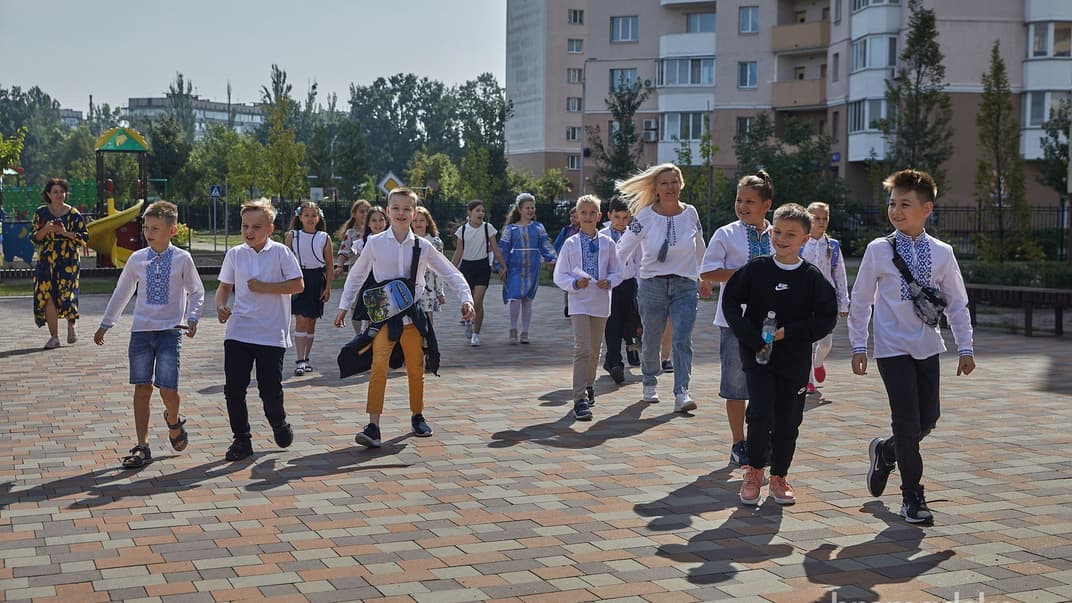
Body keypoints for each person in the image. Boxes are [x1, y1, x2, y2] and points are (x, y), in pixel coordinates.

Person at [849, 169, 975, 524]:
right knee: (906, 422)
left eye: (905, 204)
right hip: (891, 349)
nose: (896, 211)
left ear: (927, 208)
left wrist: (965, 348)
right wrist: (859, 344)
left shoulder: (942, 252)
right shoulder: (878, 249)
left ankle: (886, 451)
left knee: (927, 420)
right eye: (892, 204)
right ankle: (912, 496)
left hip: (928, 346)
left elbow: (957, 303)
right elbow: (861, 302)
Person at [335, 187, 475, 447]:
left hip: (413, 316)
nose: (401, 213)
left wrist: (466, 298)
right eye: (396, 208)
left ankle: (417, 416)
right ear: (388, 212)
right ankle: (373, 426)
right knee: (378, 368)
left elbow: (450, 272)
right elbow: (356, 276)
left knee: (415, 369)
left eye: (406, 208)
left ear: (414, 212)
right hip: (385, 318)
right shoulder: (374, 243)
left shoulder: (424, 246)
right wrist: (344, 305)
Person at [722, 203, 837, 506]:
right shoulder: (757, 269)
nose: (782, 238)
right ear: (771, 231)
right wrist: (750, 336)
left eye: (792, 234)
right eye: (778, 232)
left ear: (805, 238)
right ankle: (755, 471)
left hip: (794, 359)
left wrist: (791, 332)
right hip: (758, 357)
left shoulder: (811, 278)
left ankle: (779, 476)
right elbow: (731, 301)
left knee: (788, 418)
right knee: (759, 413)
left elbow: (826, 318)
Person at [93, 201, 205, 469]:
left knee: (168, 389)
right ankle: (142, 446)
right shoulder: (136, 259)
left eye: (155, 228)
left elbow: (197, 291)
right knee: (142, 388)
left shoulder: (182, 259)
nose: (149, 232)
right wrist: (107, 323)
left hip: (170, 332)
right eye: (146, 227)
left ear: (172, 230)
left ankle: (174, 421)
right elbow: (122, 292)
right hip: (141, 332)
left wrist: (192, 317)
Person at [617, 163, 712, 413]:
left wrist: (704, 277)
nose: (670, 187)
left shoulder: (691, 213)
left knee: (682, 337)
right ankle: (649, 381)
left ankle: (682, 391)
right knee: (652, 337)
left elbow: (700, 245)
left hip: (685, 285)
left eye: (674, 182)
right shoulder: (645, 216)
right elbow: (624, 247)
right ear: (656, 188)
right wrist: (611, 274)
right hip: (652, 285)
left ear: (681, 184)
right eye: (664, 183)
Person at [215, 198, 304, 461]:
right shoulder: (235, 254)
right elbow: (224, 288)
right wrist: (220, 307)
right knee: (234, 388)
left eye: (255, 226)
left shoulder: (280, 253)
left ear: (270, 228)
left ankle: (279, 423)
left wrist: (266, 287)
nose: (249, 232)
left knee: (269, 389)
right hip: (238, 330)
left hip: (270, 334)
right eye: (244, 226)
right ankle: (241, 439)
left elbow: (298, 284)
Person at [700, 171, 774, 466]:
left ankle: (761, 439)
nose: (742, 206)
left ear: (766, 205)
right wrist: (746, 275)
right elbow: (707, 271)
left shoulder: (777, 233)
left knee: (766, 383)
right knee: (735, 384)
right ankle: (738, 442)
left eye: (750, 201)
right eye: (739, 200)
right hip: (734, 322)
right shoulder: (726, 233)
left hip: (770, 323)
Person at [554, 195, 624, 420]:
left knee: (595, 351)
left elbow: (618, 271)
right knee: (582, 349)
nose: (587, 216)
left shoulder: (608, 243)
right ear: (576, 216)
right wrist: (574, 283)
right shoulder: (570, 243)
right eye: (583, 212)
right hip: (579, 302)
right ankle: (579, 398)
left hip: (601, 301)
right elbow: (559, 274)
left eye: (592, 212)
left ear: (599, 216)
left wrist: (609, 281)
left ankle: (589, 383)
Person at [32, 178, 90, 349]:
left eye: (61, 191)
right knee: (47, 296)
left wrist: (65, 233)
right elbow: (34, 237)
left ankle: (72, 326)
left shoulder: (74, 214)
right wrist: (46, 229)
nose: (58, 195)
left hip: (68, 260)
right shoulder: (41, 213)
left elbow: (84, 238)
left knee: (67, 294)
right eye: (55, 192)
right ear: (48, 194)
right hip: (46, 260)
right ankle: (54, 336)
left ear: (65, 194)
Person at [801, 202, 850, 394]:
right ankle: (808, 379)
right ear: (808, 219)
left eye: (825, 218)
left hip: (826, 300)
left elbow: (840, 275)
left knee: (826, 341)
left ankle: (818, 362)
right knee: (805, 341)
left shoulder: (833, 246)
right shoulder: (801, 244)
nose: (821, 222)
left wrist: (843, 301)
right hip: (804, 300)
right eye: (817, 218)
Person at [499, 193, 558, 344]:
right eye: (527, 208)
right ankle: (513, 329)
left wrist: (553, 258)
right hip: (515, 267)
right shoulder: (510, 229)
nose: (530, 210)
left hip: (532, 267)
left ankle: (525, 332)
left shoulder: (538, 227)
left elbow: (545, 244)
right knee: (515, 297)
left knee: (527, 299)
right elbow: (503, 248)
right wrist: (501, 266)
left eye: (532, 207)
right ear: (519, 209)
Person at [285, 201, 333, 376]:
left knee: (311, 321)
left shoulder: (324, 237)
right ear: (300, 217)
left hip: (316, 280)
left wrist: (328, 287)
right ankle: (299, 359)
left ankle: (306, 358)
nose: (310, 219)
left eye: (314, 215)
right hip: (299, 278)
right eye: (307, 215)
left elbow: (329, 264)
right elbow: (285, 260)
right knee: (301, 319)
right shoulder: (292, 236)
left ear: (319, 217)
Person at [452, 200, 507, 346]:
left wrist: (503, 266)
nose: (481, 213)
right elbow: (458, 253)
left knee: (477, 302)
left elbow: (496, 249)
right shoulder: (462, 231)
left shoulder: (488, 228)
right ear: (469, 213)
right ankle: (468, 321)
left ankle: (476, 334)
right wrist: (449, 271)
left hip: (482, 267)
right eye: (477, 210)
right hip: (466, 267)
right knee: (466, 303)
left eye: (482, 211)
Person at [599, 195, 641, 384]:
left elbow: (639, 261)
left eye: (626, 218)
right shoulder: (603, 235)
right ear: (609, 215)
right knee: (613, 323)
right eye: (617, 217)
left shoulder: (633, 234)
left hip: (629, 282)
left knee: (630, 321)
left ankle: (630, 350)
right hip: (610, 286)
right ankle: (615, 361)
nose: (621, 222)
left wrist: (641, 285)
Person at [350, 206, 388, 335]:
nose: (378, 224)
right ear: (368, 223)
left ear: (386, 221)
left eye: (381, 220)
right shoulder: (361, 243)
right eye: (374, 220)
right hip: (371, 285)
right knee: (373, 322)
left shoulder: (393, 240)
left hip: (388, 283)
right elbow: (358, 268)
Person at [412, 206, 446, 325]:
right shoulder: (406, 240)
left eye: (422, 220)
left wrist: (440, 291)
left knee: (427, 317)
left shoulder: (435, 242)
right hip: (410, 286)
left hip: (428, 285)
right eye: (415, 220)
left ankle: (428, 342)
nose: (418, 223)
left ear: (427, 222)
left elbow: (439, 268)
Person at [334, 199, 371, 277]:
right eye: (362, 212)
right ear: (354, 214)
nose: (365, 214)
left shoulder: (376, 232)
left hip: (373, 271)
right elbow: (343, 251)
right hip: (356, 271)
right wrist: (340, 266)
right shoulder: (351, 233)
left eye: (368, 211)